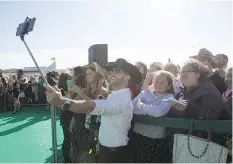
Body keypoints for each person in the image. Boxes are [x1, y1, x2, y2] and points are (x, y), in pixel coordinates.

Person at [44, 58, 142, 163]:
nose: (112, 74)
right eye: (111, 71)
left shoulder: (122, 99)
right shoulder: (116, 95)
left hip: (115, 155)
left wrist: (63, 102)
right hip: (108, 150)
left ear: (128, 77)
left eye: (117, 71)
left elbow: (90, 106)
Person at [130, 70, 175, 163]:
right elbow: (132, 107)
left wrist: (141, 105)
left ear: (169, 85)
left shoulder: (170, 97)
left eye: (162, 82)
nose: (158, 84)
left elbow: (159, 112)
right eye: (156, 81)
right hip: (138, 135)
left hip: (156, 139)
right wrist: (149, 110)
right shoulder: (145, 93)